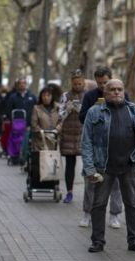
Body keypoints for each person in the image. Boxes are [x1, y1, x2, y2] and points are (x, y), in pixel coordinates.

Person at [80, 79, 135, 253]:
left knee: (132, 204)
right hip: (103, 167)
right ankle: (97, 241)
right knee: (98, 205)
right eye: (112, 89)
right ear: (105, 92)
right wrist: (89, 168)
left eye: (119, 89)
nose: (116, 92)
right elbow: (86, 141)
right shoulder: (94, 112)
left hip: (128, 166)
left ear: (124, 91)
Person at [78, 66, 123, 229]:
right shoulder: (90, 96)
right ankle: (87, 213)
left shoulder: (120, 95)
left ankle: (114, 215)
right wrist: (94, 109)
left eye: (105, 82)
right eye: (99, 83)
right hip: (96, 148)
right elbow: (82, 118)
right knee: (91, 183)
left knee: (116, 184)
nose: (102, 86)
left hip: (116, 149)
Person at [57, 69, 86, 204]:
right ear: (71, 83)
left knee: (88, 164)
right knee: (70, 164)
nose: (77, 86)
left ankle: (89, 192)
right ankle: (69, 192)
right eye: (75, 84)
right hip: (68, 134)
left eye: (80, 83)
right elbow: (60, 116)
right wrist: (68, 109)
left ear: (83, 82)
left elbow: (92, 114)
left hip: (83, 134)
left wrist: (80, 109)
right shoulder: (65, 95)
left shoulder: (88, 96)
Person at [30, 87, 60, 181]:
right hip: (40, 142)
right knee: (41, 164)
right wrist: (43, 133)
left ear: (52, 96)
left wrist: (57, 130)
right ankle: (39, 182)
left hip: (54, 141)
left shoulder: (58, 108)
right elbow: (34, 124)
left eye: (48, 95)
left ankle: (53, 181)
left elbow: (62, 121)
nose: (46, 98)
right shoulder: (37, 108)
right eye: (44, 95)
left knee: (52, 164)